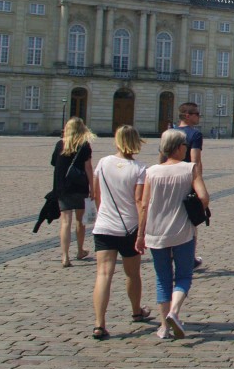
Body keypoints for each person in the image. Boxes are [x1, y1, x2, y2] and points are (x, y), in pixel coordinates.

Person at [136, 129, 210, 340]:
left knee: (162, 279)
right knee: (184, 275)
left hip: (155, 232)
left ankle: (163, 327)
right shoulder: (190, 169)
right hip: (182, 231)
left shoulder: (152, 172)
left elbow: (143, 206)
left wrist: (140, 235)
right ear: (178, 148)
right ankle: (174, 312)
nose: (186, 148)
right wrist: (195, 209)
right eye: (184, 145)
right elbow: (204, 197)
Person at [89, 125, 152, 340]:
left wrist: (101, 216)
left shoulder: (103, 162)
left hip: (104, 226)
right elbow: (139, 201)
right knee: (132, 274)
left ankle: (99, 323)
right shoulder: (140, 168)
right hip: (129, 227)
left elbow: (96, 194)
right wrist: (142, 231)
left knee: (103, 274)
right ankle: (136, 310)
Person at [52, 117, 96, 267]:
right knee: (80, 221)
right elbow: (88, 168)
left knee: (65, 222)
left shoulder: (60, 144)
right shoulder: (84, 145)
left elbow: (53, 163)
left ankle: (65, 257)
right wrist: (92, 187)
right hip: (80, 186)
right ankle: (79, 250)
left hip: (63, 187)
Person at [177, 103, 205, 269]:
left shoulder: (168, 133)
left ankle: (171, 254)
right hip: (187, 180)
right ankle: (190, 258)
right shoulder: (194, 134)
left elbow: (161, 159)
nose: (198, 117)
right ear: (187, 115)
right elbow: (195, 161)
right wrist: (199, 183)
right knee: (191, 221)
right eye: (196, 114)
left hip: (168, 178)